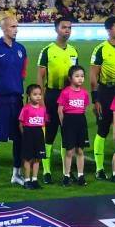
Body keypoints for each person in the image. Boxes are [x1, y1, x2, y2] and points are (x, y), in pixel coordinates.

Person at [0, 12, 28, 189]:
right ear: (3, 28)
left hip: (16, 101)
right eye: (12, 26)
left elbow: (22, 74)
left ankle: (16, 174)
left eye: (17, 26)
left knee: (19, 138)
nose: (16, 30)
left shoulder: (21, 49)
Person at [89, 16, 115, 181]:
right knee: (103, 130)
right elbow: (93, 75)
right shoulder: (100, 49)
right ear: (109, 30)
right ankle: (99, 169)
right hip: (105, 93)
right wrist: (96, 99)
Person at [36, 16, 79, 174]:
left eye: (69, 27)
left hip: (69, 97)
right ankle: (46, 171)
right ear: (56, 29)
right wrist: (40, 99)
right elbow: (40, 76)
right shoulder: (47, 51)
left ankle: (66, 172)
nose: (67, 30)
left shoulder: (73, 51)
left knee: (67, 135)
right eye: (64, 27)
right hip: (52, 96)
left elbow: (76, 75)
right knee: (50, 134)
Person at [57, 65, 91, 186]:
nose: (80, 78)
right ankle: (66, 176)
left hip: (81, 121)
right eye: (77, 76)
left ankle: (81, 176)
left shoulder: (84, 93)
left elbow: (84, 108)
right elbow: (60, 110)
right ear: (70, 78)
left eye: (82, 76)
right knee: (69, 151)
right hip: (69, 122)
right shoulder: (65, 92)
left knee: (80, 150)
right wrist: (64, 125)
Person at [18, 85, 49, 189]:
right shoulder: (26, 109)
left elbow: (43, 123)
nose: (38, 96)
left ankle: (34, 180)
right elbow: (21, 124)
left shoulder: (43, 109)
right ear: (29, 96)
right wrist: (25, 135)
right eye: (35, 94)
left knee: (37, 158)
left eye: (40, 94)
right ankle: (27, 180)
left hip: (39, 134)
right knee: (28, 158)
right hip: (28, 134)